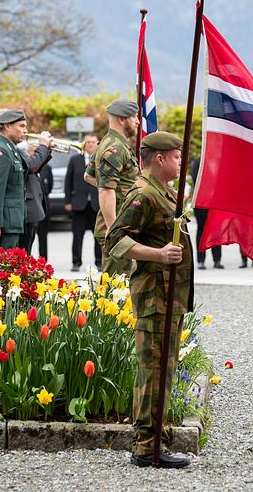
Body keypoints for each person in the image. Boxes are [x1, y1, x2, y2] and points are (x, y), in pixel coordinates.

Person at [104, 131, 193, 469]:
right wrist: (157, 253)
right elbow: (116, 240)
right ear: (159, 159)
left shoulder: (163, 191)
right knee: (153, 370)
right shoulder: (143, 193)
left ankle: (157, 439)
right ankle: (146, 446)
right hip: (155, 295)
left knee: (163, 369)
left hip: (170, 295)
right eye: (176, 156)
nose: (180, 162)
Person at [86, 99, 141, 277]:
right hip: (118, 228)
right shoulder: (115, 148)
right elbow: (106, 190)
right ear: (122, 119)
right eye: (135, 117)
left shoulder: (109, 143)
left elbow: (89, 176)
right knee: (116, 287)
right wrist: (113, 230)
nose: (138, 121)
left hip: (122, 224)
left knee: (120, 284)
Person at [0, 109, 51, 250]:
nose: (25, 130)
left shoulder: (10, 149)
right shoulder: (0, 151)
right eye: (21, 126)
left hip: (13, 222)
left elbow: (29, 169)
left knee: (13, 269)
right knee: (4, 268)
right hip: (6, 224)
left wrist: (47, 150)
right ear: (7, 126)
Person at [65, 134, 102, 271]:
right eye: (88, 142)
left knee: (98, 236)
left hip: (96, 204)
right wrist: (67, 201)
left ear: (97, 144)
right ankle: (76, 262)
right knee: (77, 235)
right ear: (84, 143)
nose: (91, 144)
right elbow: (68, 181)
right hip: (79, 204)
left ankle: (99, 261)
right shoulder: (75, 159)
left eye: (93, 142)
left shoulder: (101, 160)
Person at [17, 140, 52, 253]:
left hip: (35, 208)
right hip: (28, 209)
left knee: (28, 246)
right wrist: (43, 147)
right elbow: (32, 166)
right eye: (36, 151)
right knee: (25, 248)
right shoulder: (21, 154)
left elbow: (36, 167)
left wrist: (48, 150)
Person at [190, 156, 223, 270]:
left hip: (214, 201)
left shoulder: (217, 160)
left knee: (215, 230)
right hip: (201, 201)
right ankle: (201, 260)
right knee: (202, 230)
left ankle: (217, 260)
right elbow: (195, 179)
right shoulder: (198, 161)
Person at [36, 163, 53, 260]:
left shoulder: (48, 168)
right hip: (31, 206)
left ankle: (43, 260)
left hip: (43, 206)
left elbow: (49, 186)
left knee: (43, 236)